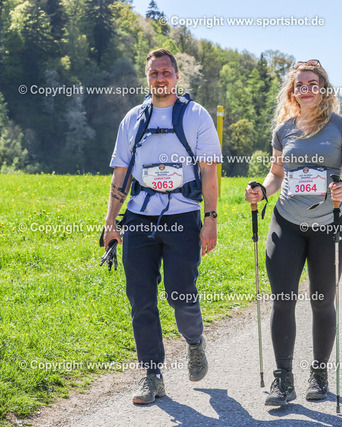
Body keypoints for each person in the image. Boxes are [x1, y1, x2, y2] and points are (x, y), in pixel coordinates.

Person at [103, 48, 221, 404]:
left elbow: (209, 172)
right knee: (140, 298)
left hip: (183, 218)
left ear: (177, 76)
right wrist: (110, 222)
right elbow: (121, 174)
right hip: (138, 219)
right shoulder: (132, 119)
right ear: (147, 77)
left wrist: (211, 220)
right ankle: (152, 375)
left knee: (179, 293)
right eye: (154, 73)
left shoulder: (196, 116)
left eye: (166, 72)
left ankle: (195, 342)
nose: (160, 78)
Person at [245, 59, 342, 406]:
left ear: (323, 89)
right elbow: (276, 174)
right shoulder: (284, 130)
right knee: (282, 300)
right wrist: (261, 190)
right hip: (287, 223)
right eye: (300, 85)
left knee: (322, 301)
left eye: (313, 84)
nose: (306, 90)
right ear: (292, 91)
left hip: (329, 224)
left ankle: (319, 373)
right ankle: (283, 379)